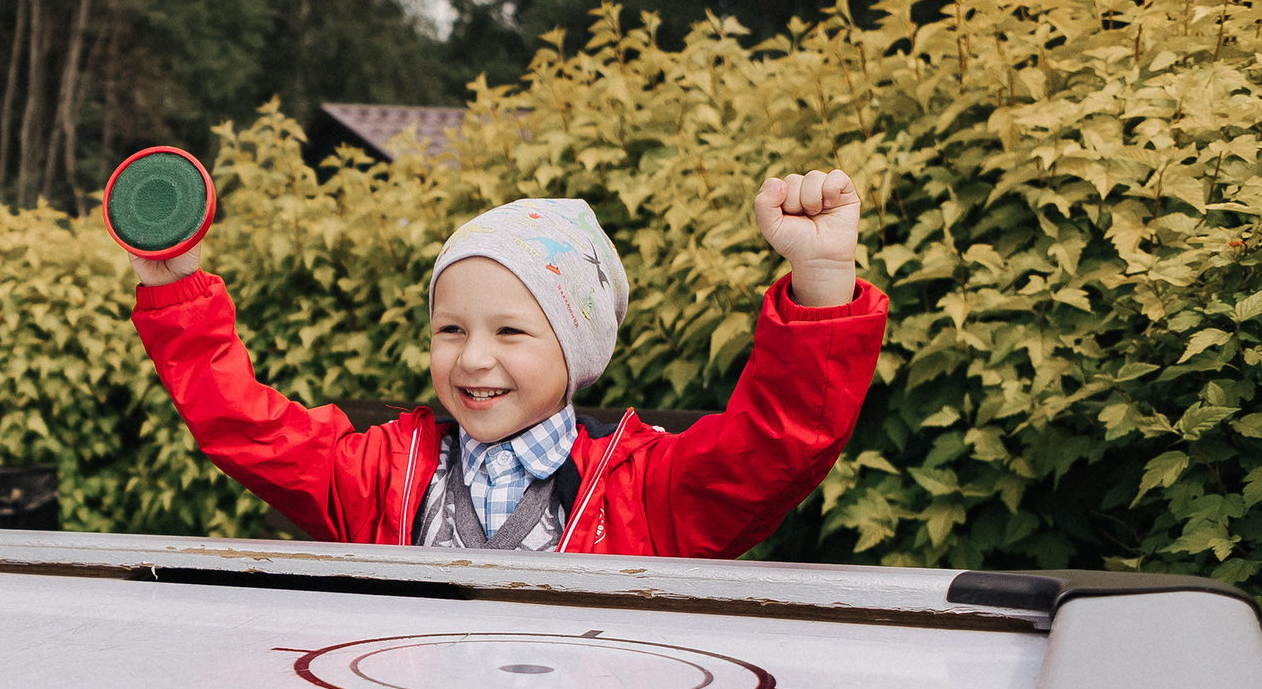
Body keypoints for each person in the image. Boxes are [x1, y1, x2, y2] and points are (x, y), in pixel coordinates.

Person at [126, 170, 887, 556]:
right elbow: (243, 426)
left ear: (576, 353)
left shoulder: (649, 493)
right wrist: (174, 289)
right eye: (450, 327)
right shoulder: (380, 475)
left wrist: (821, 286)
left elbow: (780, 445)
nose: (474, 357)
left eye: (513, 332)